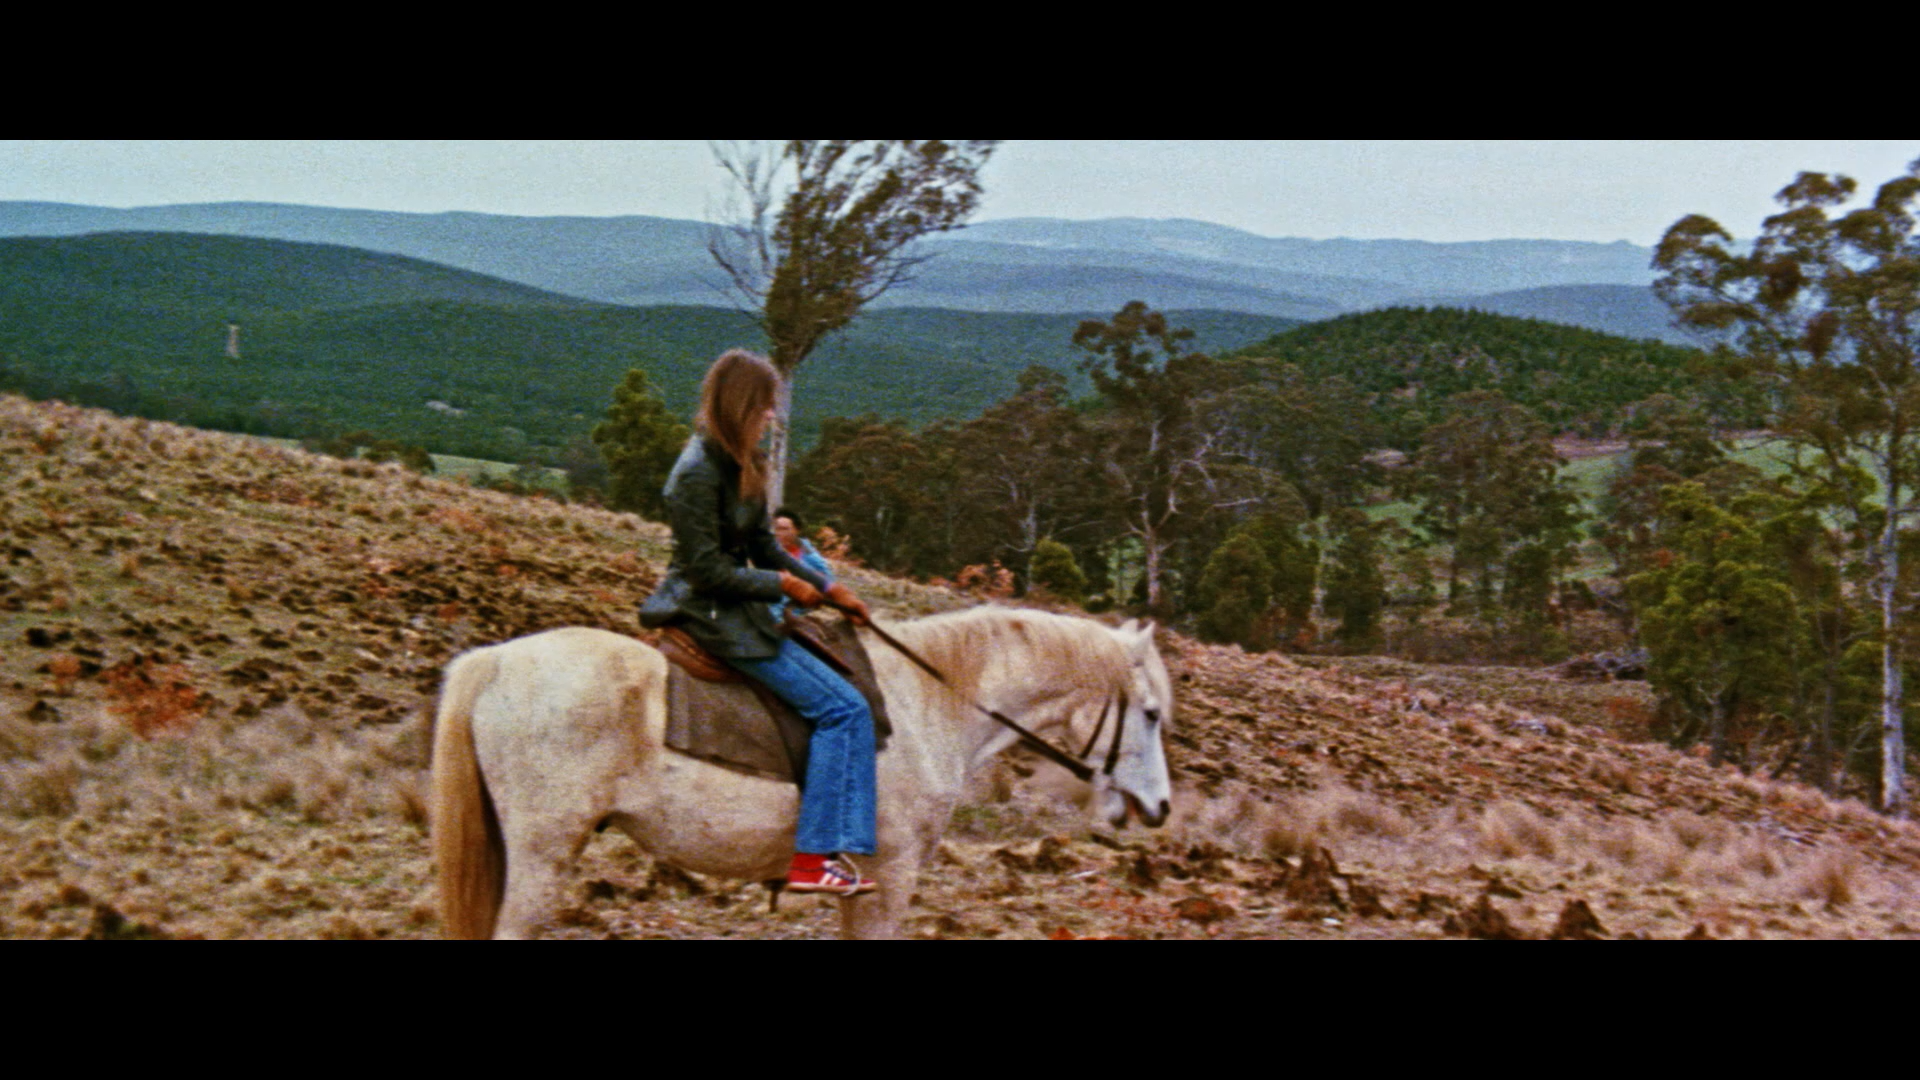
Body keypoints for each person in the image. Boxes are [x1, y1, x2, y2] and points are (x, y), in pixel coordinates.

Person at [640, 349, 880, 896]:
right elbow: (705, 570)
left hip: (736, 606)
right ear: (741, 405)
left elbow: (765, 546)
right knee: (844, 710)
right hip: (709, 613)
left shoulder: (741, 462)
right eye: (765, 406)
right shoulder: (696, 474)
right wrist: (782, 587)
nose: (772, 416)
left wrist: (831, 589)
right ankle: (812, 860)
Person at [769, 507, 832, 621]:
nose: (780, 533)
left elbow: (828, 583)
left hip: (793, 612)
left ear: (796, 530)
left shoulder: (810, 557)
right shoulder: (770, 552)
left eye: (785, 529)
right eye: (777, 529)